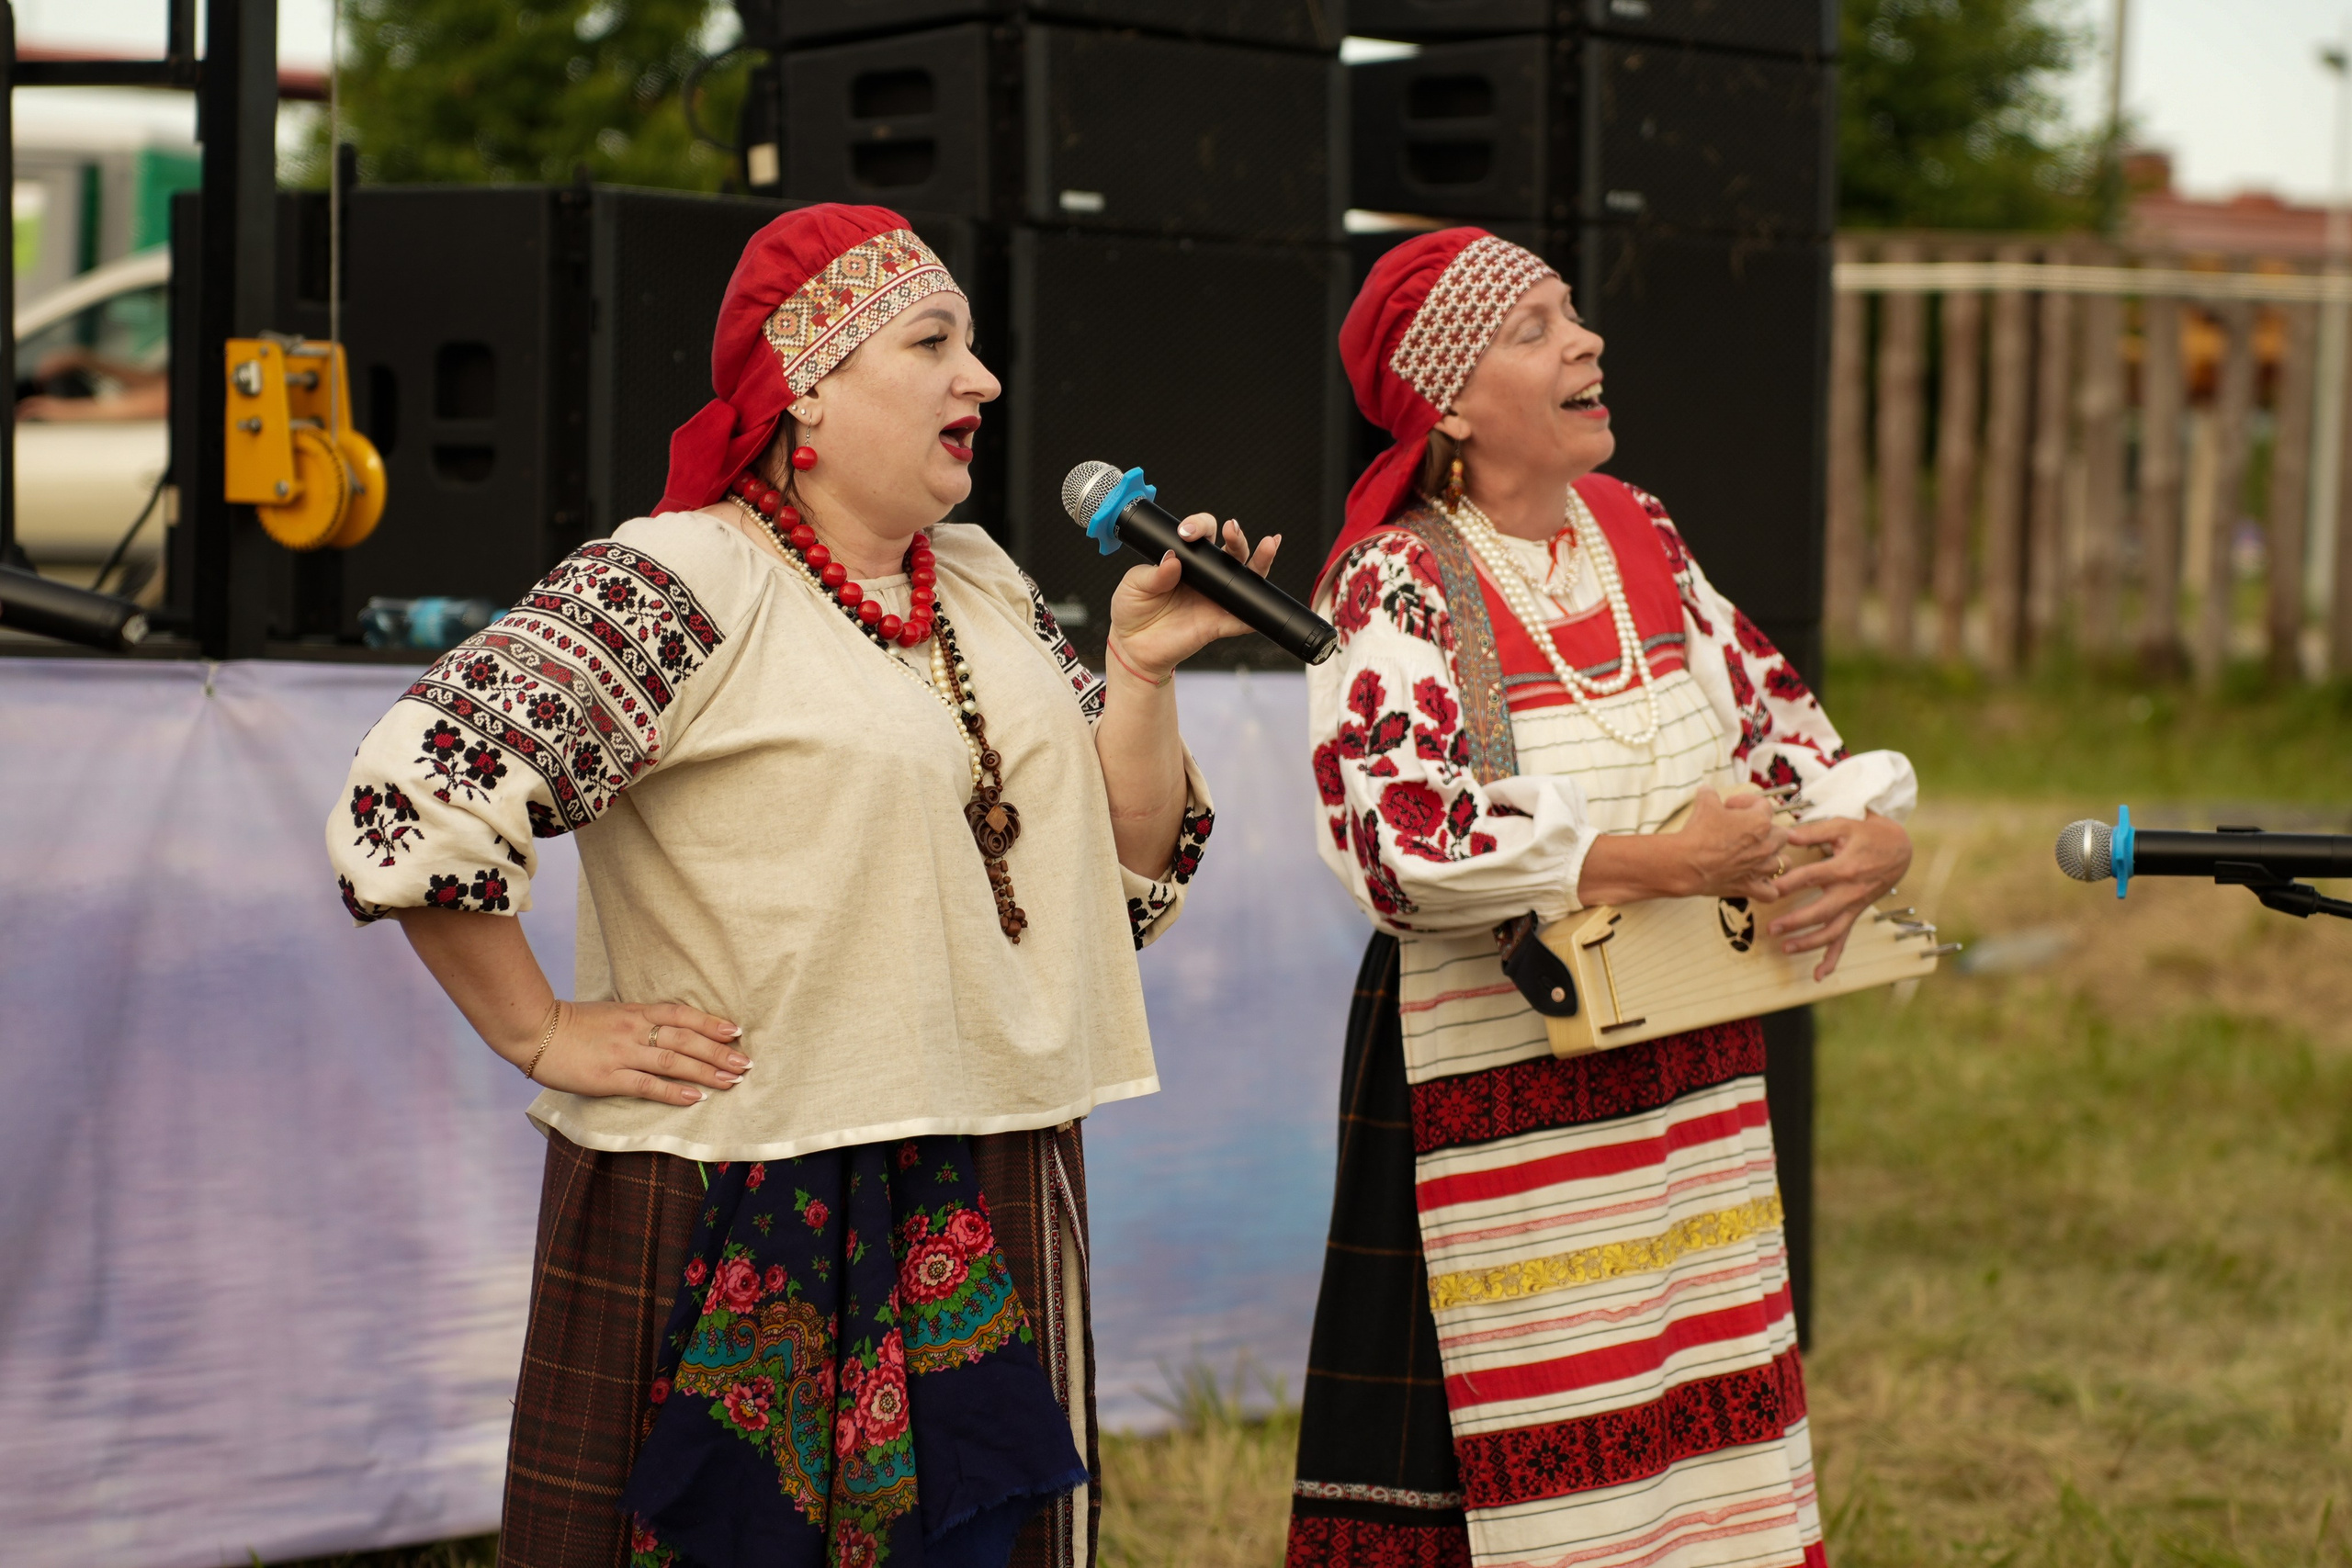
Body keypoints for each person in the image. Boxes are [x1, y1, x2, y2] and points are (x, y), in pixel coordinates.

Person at [325, 203, 1274, 1568]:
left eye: (975, 347)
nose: (983, 381)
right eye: (933, 343)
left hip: (980, 1157)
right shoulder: (687, 574)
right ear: (808, 388)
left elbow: (1115, 885)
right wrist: (542, 1028)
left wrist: (1138, 673)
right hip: (740, 1182)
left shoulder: (984, 586)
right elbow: (409, 791)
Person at [1287, 228, 1917, 1568]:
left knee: (1700, 1433)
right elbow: (1399, 842)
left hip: (1686, 1081)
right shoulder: (1397, 579)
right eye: (1535, 326)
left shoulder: (1640, 530)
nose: (1588, 342)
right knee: (1542, 1444)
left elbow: (1782, 735)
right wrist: (1665, 864)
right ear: (1447, 404)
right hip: (1503, 1095)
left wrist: (1869, 833)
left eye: (1575, 313)